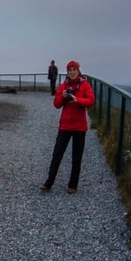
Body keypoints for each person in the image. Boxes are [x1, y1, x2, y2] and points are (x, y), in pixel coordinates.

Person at [40, 61, 95, 194]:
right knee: (57, 154)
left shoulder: (85, 85)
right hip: (65, 125)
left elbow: (91, 101)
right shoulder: (64, 85)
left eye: (74, 69)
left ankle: (73, 185)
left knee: (77, 157)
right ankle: (49, 182)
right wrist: (63, 97)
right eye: (69, 70)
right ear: (67, 72)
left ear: (78, 70)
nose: (72, 72)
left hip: (79, 127)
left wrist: (78, 100)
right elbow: (56, 104)